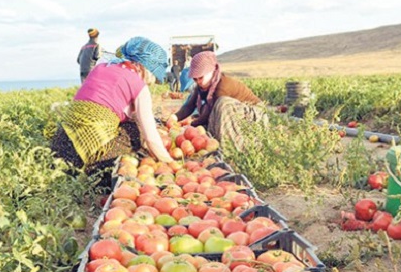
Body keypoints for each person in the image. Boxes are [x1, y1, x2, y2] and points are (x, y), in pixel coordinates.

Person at [52, 36, 174, 181]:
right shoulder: (139, 85)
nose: (152, 82)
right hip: (91, 150)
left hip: (62, 144)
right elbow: (151, 137)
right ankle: (98, 170)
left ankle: (73, 168)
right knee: (136, 131)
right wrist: (171, 164)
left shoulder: (101, 68)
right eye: (153, 75)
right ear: (144, 68)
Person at [170, 51, 267, 149]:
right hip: (235, 113)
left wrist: (190, 127)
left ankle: (235, 147)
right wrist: (174, 118)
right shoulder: (201, 87)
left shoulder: (223, 85)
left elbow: (210, 112)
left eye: (201, 77)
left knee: (221, 103)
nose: (198, 81)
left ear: (211, 71)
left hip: (253, 114)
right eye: (195, 79)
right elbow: (189, 106)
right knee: (205, 113)